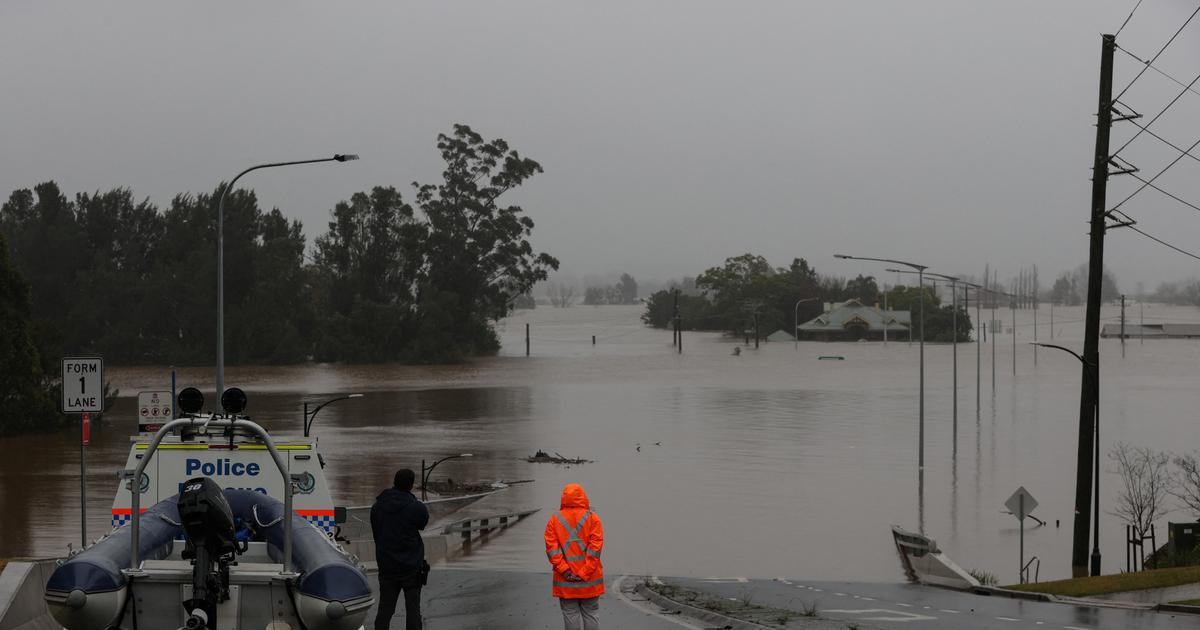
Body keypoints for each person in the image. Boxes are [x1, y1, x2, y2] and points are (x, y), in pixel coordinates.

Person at [371, 469, 430, 630]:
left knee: (385, 610)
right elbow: (422, 524)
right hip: (411, 566)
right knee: (413, 611)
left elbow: (377, 533)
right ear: (411, 485)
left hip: (386, 565)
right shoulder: (415, 507)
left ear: (394, 482)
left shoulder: (377, 507)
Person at [544, 483, 605, 630]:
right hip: (590, 581)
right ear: (583, 497)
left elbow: (552, 550)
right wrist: (584, 573)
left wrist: (565, 571)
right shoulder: (593, 519)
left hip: (566, 581)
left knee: (570, 614)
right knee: (591, 614)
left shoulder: (554, 520)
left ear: (564, 498)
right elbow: (595, 550)